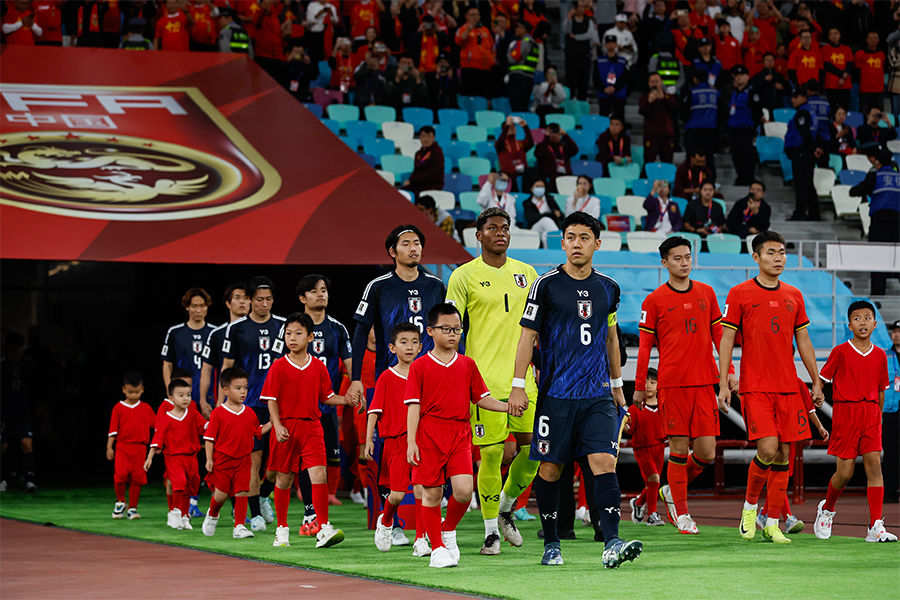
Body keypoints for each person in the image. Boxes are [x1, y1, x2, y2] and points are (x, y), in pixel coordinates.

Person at [510, 211, 642, 568]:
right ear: (563, 242)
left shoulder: (608, 287)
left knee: (604, 461)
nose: (577, 243)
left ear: (597, 244)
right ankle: (551, 543)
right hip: (556, 395)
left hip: (597, 394)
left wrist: (617, 385)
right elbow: (527, 336)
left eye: (584, 237)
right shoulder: (546, 284)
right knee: (551, 470)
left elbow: (611, 337)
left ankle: (612, 541)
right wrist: (518, 386)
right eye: (570, 237)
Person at [718, 231, 825, 544]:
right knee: (767, 448)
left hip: (789, 386)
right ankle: (750, 509)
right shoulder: (739, 294)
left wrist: (815, 378)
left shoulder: (794, 294)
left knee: (785, 455)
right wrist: (724, 382)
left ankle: (774, 522)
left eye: (781, 253)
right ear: (756, 258)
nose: (778, 258)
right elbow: (726, 339)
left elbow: (803, 340)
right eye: (771, 253)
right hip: (756, 386)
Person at [446, 208, 541, 555]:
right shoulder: (463, 276)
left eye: (505, 228)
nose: (500, 233)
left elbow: (536, 329)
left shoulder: (527, 273)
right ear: (479, 235)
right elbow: (450, 326)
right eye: (492, 228)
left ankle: (506, 508)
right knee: (492, 453)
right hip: (482, 379)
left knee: (535, 450)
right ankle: (490, 534)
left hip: (523, 379)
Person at [635, 236, 734, 533]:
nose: (684, 263)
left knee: (705, 452)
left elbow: (720, 337)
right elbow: (644, 347)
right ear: (664, 263)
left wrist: (727, 372)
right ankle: (683, 514)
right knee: (678, 449)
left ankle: (668, 491)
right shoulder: (653, 300)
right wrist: (640, 384)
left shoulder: (707, 293)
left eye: (688, 257)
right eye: (677, 258)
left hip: (705, 384)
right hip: (673, 385)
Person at [405, 303, 513, 568]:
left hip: (460, 432)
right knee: (431, 494)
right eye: (446, 328)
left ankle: (447, 528)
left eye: (457, 329)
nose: (453, 334)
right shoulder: (419, 367)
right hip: (429, 433)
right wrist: (411, 442)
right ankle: (437, 550)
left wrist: (507, 406)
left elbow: (483, 398)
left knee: (464, 492)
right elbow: (413, 407)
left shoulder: (467, 364)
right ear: (430, 331)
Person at [262, 312, 358, 548]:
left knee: (320, 475)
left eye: (298, 333)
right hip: (286, 427)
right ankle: (282, 529)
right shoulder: (278, 366)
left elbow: (327, 396)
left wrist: (347, 400)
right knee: (284, 480)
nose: (292, 338)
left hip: (312, 426)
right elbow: (270, 399)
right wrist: (277, 424)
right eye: (288, 334)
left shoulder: (318, 367)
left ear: (310, 337)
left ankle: (323, 528)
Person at [814, 302, 898, 543]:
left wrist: (878, 417)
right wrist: (817, 393)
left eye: (867, 318)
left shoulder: (881, 355)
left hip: (871, 415)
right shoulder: (840, 351)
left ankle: (876, 525)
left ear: (875, 324)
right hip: (846, 415)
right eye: (857, 318)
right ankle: (827, 509)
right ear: (849, 325)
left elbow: (882, 390)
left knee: (874, 467)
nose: (863, 322)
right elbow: (822, 379)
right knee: (845, 472)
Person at [348, 225, 446, 405]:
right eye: (406, 244)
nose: (413, 248)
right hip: (391, 376)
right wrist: (355, 379)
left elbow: (446, 331)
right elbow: (361, 331)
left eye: (417, 243)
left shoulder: (436, 286)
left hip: (431, 378)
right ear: (392, 251)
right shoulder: (378, 287)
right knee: (394, 432)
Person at [220, 276, 287, 531]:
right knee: (254, 460)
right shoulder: (236, 328)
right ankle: (256, 515)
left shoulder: (283, 326)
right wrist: (223, 403)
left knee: (280, 462)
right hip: (249, 405)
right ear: (249, 300)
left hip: (279, 404)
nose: (264, 304)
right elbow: (227, 367)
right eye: (259, 299)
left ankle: (262, 495)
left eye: (269, 299)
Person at [366, 323, 426, 554]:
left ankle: (421, 539)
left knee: (422, 489)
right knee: (398, 493)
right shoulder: (386, 377)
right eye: (403, 342)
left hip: (421, 441)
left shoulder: (424, 374)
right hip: (395, 441)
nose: (409, 347)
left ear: (420, 347)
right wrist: (370, 438)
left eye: (413, 342)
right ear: (392, 347)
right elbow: (374, 409)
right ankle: (387, 520)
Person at [296, 275, 353, 511]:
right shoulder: (293, 328)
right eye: (314, 291)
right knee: (292, 465)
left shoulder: (337, 328)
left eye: (324, 290)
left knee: (326, 458)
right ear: (302, 298)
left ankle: (314, 512)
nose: (321, 294)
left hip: (326, 406)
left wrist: (356, 385)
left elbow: (350, 363)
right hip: (298, 407)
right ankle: (304, 510)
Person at [201, 367, 272, 539]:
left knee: (242, 492)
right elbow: (209, 438)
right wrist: (209, 459)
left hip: (243, 461)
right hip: (223, 461)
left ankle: (239, 526)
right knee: (221, 495)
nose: (243, 392)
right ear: (225, 390)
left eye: (245, 387)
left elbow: (258, 430)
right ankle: (213, 514)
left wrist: (273, 423)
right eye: (238, 388)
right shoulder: (218, 413)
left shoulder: (249, 412)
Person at [145, 379, 207, 531]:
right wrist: (150, 457)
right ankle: (175, 511)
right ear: (171, 398)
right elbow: (157, 438)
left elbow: (205, 427)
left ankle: (185, 516)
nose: (186, 398)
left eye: (188, 395)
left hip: (191, 457)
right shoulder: (166, 418)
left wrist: (219, 422)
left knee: (191, 485)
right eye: (181, 395)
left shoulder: (193, 414)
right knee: (179, 482)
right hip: (173, 457)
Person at [849, 149, 900, 297]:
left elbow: (855, 191)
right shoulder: (898, 177)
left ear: (877, 162)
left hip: (880, 221)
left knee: (878, 256)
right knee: (898, 256)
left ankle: (878, 292)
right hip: (898, 221)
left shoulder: (875, 176)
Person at [107, 371, 156, 520]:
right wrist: (109, 447)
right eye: (130, 392)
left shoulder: (146, 408)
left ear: (142, 389)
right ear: (123, 390)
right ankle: (120, 501)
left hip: (140, 448)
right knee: (120, 474)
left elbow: (158, 426)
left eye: (136, 392)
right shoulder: (118, 408)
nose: (133, 395)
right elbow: (113, 430)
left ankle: (133, 508)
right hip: (122, 446)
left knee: (137, 478)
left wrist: (158, 444)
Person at [162, 288, 216, 414]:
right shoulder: (175, 333)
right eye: (194, 306)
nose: (198, 310)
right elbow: (167, 365)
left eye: (202, 306)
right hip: (182, 395)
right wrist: (171, 393)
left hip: (209, 396)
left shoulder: (215, 333)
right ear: (187, 307)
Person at [199, 284, 249, 417]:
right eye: (237, 298)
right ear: (228, 303)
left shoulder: (263, 329)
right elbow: (206, 370)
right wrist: (203, 400)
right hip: (228, 400)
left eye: (246, 297)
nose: (242, 301)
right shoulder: (217, 334)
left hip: (256, 397)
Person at [625, 368, 666, 527]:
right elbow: (628, 429)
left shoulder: (663, 406)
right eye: (646, 382)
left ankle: (638, 503)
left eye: (653, 382)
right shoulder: (635, 408)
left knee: (653, 483)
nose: (648, 386)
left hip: (659, 447)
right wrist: (620, 423)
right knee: (654, 479)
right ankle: (653, 515)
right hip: (642, 449)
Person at [0, 332, 38, 492]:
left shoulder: (29, 365)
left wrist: (38, 406)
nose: (14, 350)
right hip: (4, 413)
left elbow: (37, 388)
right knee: (3, 446)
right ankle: (2, 479)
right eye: (11, 347)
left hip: (24, 413)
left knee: (26, 444)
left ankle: (30, 479)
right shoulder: (2, 365)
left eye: (16, 347)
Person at [784, 86, 820, 222]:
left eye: (796, 97)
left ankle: (800, 213)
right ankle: (814, 213)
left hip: (801, 152)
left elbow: (804, 133)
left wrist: (812, 149)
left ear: (803, 98)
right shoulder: (811, 112)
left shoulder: (803, 113)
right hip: (806, 153)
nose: (793, 100)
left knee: (801, 185)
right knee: (808, 185)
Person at [681, 67, 719, 180]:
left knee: (692, 158)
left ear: (695, 79)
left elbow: (684, 112)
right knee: (709, 158)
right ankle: (711, 182)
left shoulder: (692, 92)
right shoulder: (715, 92)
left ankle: (690, 180)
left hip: (694, 130)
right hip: (710, 130)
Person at [728, 65, 762, 186]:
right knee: (736, 155)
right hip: (734, 128)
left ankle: (749, 177)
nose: (739, 78)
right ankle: (740, 176)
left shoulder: (752, 92)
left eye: (742, 75)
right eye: (737, 76)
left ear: (747, 77)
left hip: (745, 128)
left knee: (747, 155)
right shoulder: (735, 92)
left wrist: (753, 128)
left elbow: (757, 111)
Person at [455, 6, 495, 97]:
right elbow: (458, 40)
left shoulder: (485, 30)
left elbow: (492, 47)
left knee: (484, 97)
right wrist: (469, 29)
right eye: (472, 15)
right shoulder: (463, 29)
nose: (475, 17)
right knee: (469, 96)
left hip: (486, 69)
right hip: (470, 69)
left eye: (477, 15)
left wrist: (492, 59)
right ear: (466, 16)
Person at [639, 71, 677, 164]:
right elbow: (642, 111)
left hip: (666, 135)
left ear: (661, 82)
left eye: (656, 81)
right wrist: (649, 102)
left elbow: (674, 107)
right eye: (652, 82)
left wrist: (663, 98)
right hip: (651, 135)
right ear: (648, 83)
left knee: (667, 163)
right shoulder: (644, 98)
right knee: (648, 162)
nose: (654, 84)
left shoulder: (668, 96)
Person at [564, 2, 599, 101]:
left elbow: (590, 35)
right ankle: (570, 101)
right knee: (570, 79)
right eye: (577, 7)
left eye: (581, 7)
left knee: (583, 80)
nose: (579, 9)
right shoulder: (570, 20)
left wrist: (576, 37)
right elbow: (566, 30)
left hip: (584, 55)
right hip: (572, 55)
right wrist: (568, 18)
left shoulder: (589, 21)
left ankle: (582, 101)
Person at [534, 124, 579, 193]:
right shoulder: (542, 146)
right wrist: (546, 137)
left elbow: (575, 150)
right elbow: (538, 155)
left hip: (567, 176)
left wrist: (565, 135)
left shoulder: (563, 146)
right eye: (552, 132)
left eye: (556, 132)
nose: (555, 135)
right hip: (551, 178)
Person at [507, 20, 540, 112]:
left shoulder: (523, 42)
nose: (516, 30)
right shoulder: (534, 44)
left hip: (518, 79)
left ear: (523, 29)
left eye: (518, 27)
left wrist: (510, 49)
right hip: (528, 79)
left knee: (517, 108)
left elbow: (512, 59)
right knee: (523, 107)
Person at [884, 320, 900, 505]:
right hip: (890, 410)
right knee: (891, 452)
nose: (896, 334)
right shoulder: (885, 356)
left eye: (899, 331)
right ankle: (889, 492)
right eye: (894, 331)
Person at [402, 126, 444, 195]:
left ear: (433, 138)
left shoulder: (437, 153)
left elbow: (433, 175)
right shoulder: (418, 153)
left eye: (429, 136)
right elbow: (416, 171)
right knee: (400, 192)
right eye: (423, 136)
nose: (426, 139)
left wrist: (413, 179)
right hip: (418, 184)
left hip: (431, 185)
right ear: (420, 138)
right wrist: (410, 180)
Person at [595, 35, 629, 121]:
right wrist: (603, 88)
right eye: (608, 43)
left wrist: (615, 87)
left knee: (619, 118)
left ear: (616, 45)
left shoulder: (623, 61)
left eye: (613, 43)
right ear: (605, 45)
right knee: (603, 119)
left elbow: (625, 77)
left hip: (618, 94)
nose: (610, 45)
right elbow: (595, 77)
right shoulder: (598, 61)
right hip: (604, 93)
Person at [822, 27, 852, 115]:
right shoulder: (825, 49)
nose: (834, 36)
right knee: (833, 110)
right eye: (831, 34)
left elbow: (849, 64)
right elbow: (827, 65)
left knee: (845, 109)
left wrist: (844, 76)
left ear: (839, 35)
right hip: (831, 85)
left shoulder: (847, 49)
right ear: (828, 36)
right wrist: (842, 74)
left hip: (845, 84)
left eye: (835, 33)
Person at [854, 31, 886, 115]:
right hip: (865, 89)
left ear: (878, 40)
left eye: (875, 38)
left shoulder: (882, 54)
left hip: (879, 89)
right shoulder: (860, 53)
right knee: (864, 113)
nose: (873, 40)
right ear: (866, 40)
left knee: (879, 114)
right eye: (871, 38)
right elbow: (856, 70)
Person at [496, 116, 534, 186]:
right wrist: (507, 125)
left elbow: (531, 143)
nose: (512, 128)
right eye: (510, 127)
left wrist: (525, 127)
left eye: (513, 126)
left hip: (523, 171)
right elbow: (501, 141)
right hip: (508, 173)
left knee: (534, 173)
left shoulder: (520, 143)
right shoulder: (500, 144)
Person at [523, 179, 564, 243]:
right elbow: (531, 217)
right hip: (535, 227)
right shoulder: (527, 202)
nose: (539, 188)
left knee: (545, 235)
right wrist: (548, 215)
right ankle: (559, 239)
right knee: (545, 220)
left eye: (542, 186)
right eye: (537, 186)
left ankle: (549, 251)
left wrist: (559, 214)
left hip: (550, 226)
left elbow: (561, 216)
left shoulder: (550, 199)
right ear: (531, 188)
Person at [805, 80, 832, 168]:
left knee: (809, 168)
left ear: (808, 91)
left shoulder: (806, 104)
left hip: (812, 141)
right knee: (824, 168)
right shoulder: (827, 103)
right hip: (825, 140)